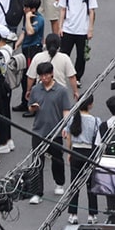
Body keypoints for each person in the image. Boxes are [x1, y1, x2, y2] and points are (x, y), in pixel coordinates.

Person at [28, 62, 73, 203]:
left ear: (52, 73)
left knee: (57, 159)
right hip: (38, 131)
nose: (44, 78)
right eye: (41, 75)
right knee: (36, 162)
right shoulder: (36, 89)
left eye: (46, 75)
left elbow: (66, 110)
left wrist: (66, 127)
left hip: (56, 132)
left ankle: (59, 182)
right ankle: (37, 193)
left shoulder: (61, 91)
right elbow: (30, 108)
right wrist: (33, 108)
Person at [65, 97, 102, 225]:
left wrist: (69, 152)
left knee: (74, 184)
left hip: (75, 152)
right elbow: (98, 141)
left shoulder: (72, 119)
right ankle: (92, 215)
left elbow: (68, 138)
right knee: (91, 185)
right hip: (89, 153)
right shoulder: (96, 121)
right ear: (90, 105)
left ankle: (73, 214)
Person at [56, 0, 98, 80]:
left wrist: (90, 29)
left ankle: (77, 77)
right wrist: (60, 27)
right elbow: (62, 9)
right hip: (68, 29)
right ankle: (60, 76)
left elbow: (91, 11)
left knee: (81, 56)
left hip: (82, 30)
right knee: (63, 55)